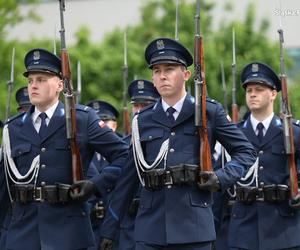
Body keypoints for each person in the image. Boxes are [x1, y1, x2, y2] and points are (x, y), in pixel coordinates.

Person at [100, 37, 256, 250]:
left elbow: (246, 152)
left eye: (169, 69)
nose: (162, 76)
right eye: (156, 70)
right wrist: (109, 229)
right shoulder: (142, 121)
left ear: (186, 74)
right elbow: (128, 179)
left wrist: (221, 178)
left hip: (194, 229)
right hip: (151, 231)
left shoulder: (209, 113)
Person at [0, 48, 128, 250]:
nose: (33, 85)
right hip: (22, 233)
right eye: (30, 80)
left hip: (68, 231)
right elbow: (4, 186)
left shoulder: (83, 120)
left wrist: (95, 184)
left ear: (60, 84)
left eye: (41, 79)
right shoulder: (14, 127)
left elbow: (125, 155)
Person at [228, 62, 300, 250]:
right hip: (243, 230)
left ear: (273, 94)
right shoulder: (233, 134)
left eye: (259, 89)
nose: (252, 94)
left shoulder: (293, 132)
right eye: (249, 90)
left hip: (284, 230)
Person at [115, 79, 160, 250]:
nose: (139, 110)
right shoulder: (124, 144)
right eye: (136, 105)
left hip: (155, 217)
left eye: (145, 105)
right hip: (128, 222)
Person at [85, 100, 121, 250]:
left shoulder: (123, 150)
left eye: (105, 121)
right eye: (98, 121)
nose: (101, 125)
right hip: (89, 224)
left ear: (114, 125)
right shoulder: (83, 153)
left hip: (116, 224)